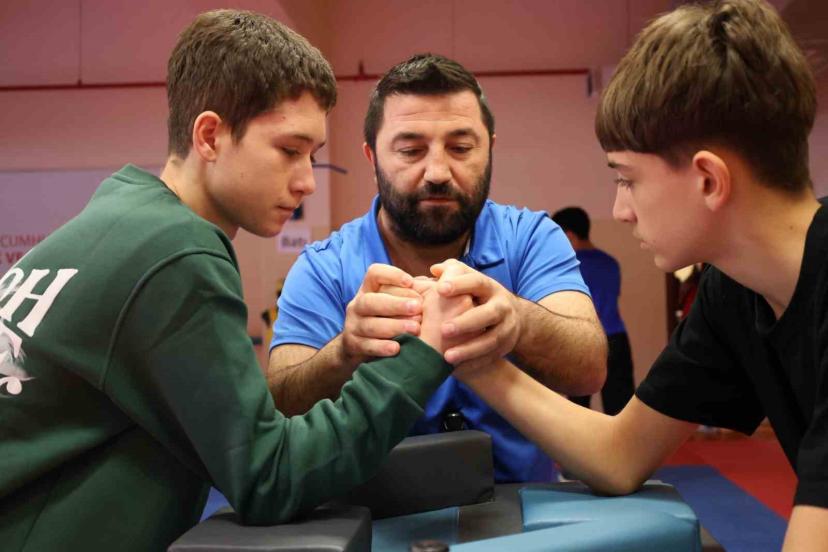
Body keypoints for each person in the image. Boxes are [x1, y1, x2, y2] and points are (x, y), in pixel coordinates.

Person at [0, 11, 471, 551]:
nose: (307, 181)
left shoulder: (120, 218)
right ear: (210, 136)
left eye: (312, 156)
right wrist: (420, 354)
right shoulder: (176, 251)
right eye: (289, 151)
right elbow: (270, 477)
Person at [451, 0, 828, 548]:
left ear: (708, 180)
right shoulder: (735, 290)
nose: (621, 211)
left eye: (627, 179)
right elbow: (619, 454)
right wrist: (474, 354)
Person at [269, 53, 607, 483]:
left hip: (525, 502)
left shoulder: (530, 238)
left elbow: (590, 370)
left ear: (489, 150)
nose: (438, 172)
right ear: (372, 158)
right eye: (411, 151)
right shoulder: (324, 267)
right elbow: (280, 405)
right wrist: (345, 352)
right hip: (377, 512)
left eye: (461, 148)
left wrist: (519, 322)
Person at [552, 206, 634, 415]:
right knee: (620, 408)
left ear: (569, 235)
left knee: (579, 409)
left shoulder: (569, 266)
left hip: (584, 339)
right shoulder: (610, 262)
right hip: (617, 338)